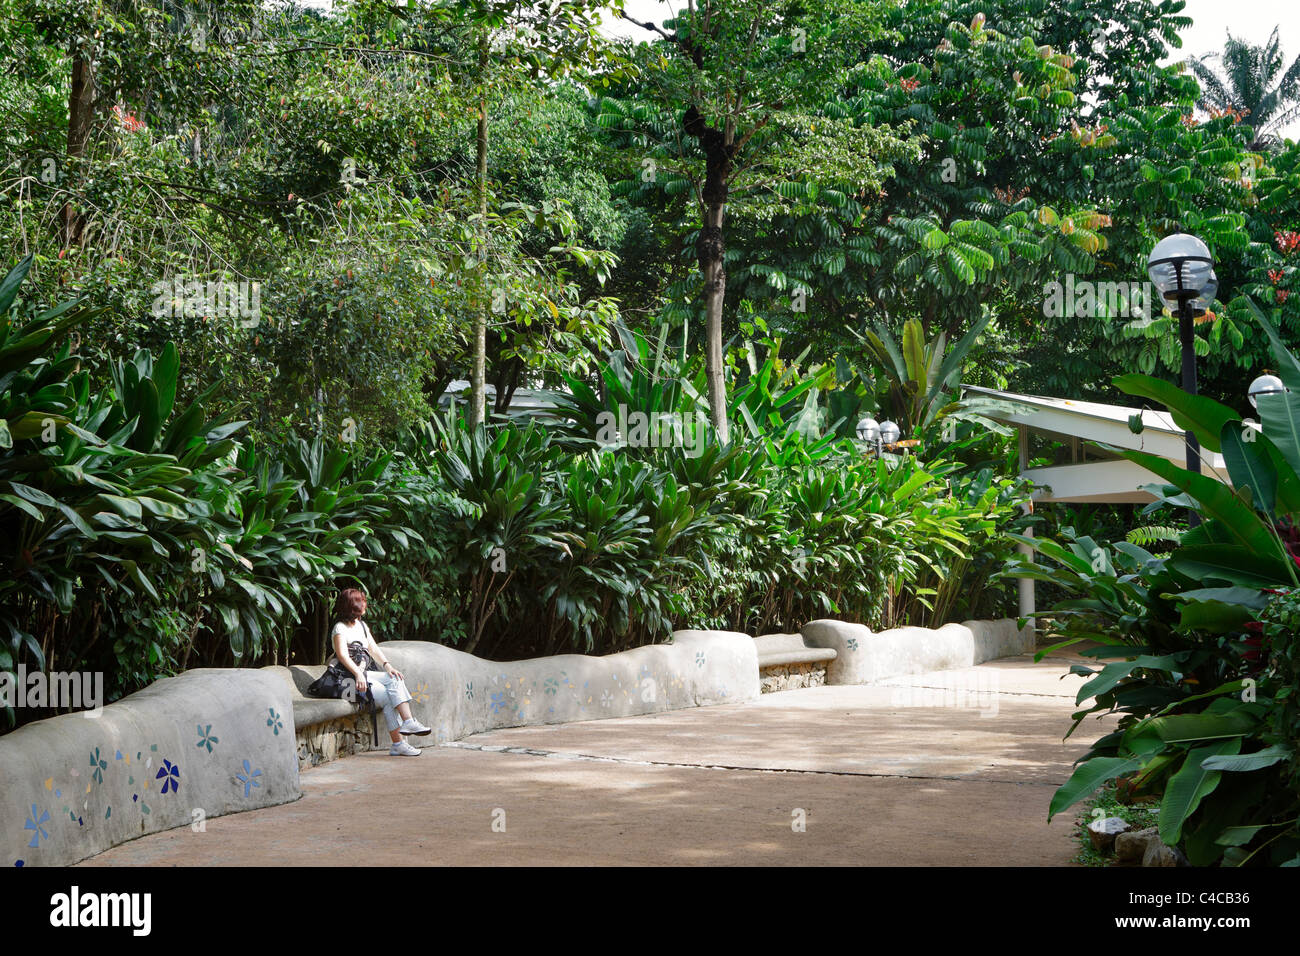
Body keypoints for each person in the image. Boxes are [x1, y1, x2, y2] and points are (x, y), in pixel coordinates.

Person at [330, 587, 431, 756]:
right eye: (361, 601)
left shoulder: (361, 625)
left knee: (394, 679)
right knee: (387, 695)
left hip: (364, 674)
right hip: (348, 677)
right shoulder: (340, 628)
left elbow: (373, 648)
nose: (365, 604)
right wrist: (358, 674)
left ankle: (406, 727)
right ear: (352, 605)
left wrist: (387, 665)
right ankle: (401, 738)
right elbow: (342, 655)